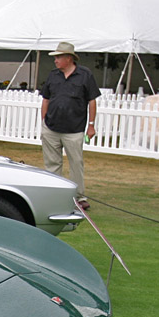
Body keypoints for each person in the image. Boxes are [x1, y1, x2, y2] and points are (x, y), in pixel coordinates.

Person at [40, 41, 100, 202]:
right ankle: (55, 195)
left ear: (68, 58)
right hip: (51, 128)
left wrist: (91, 126)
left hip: (74, 129)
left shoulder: (85, 75)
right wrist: (44, 121)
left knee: (76, 164)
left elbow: (92, 101)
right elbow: (45, 99)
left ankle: (79, 198)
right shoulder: (53, 75)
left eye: (58, 57)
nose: (55, 60)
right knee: (52, 163)